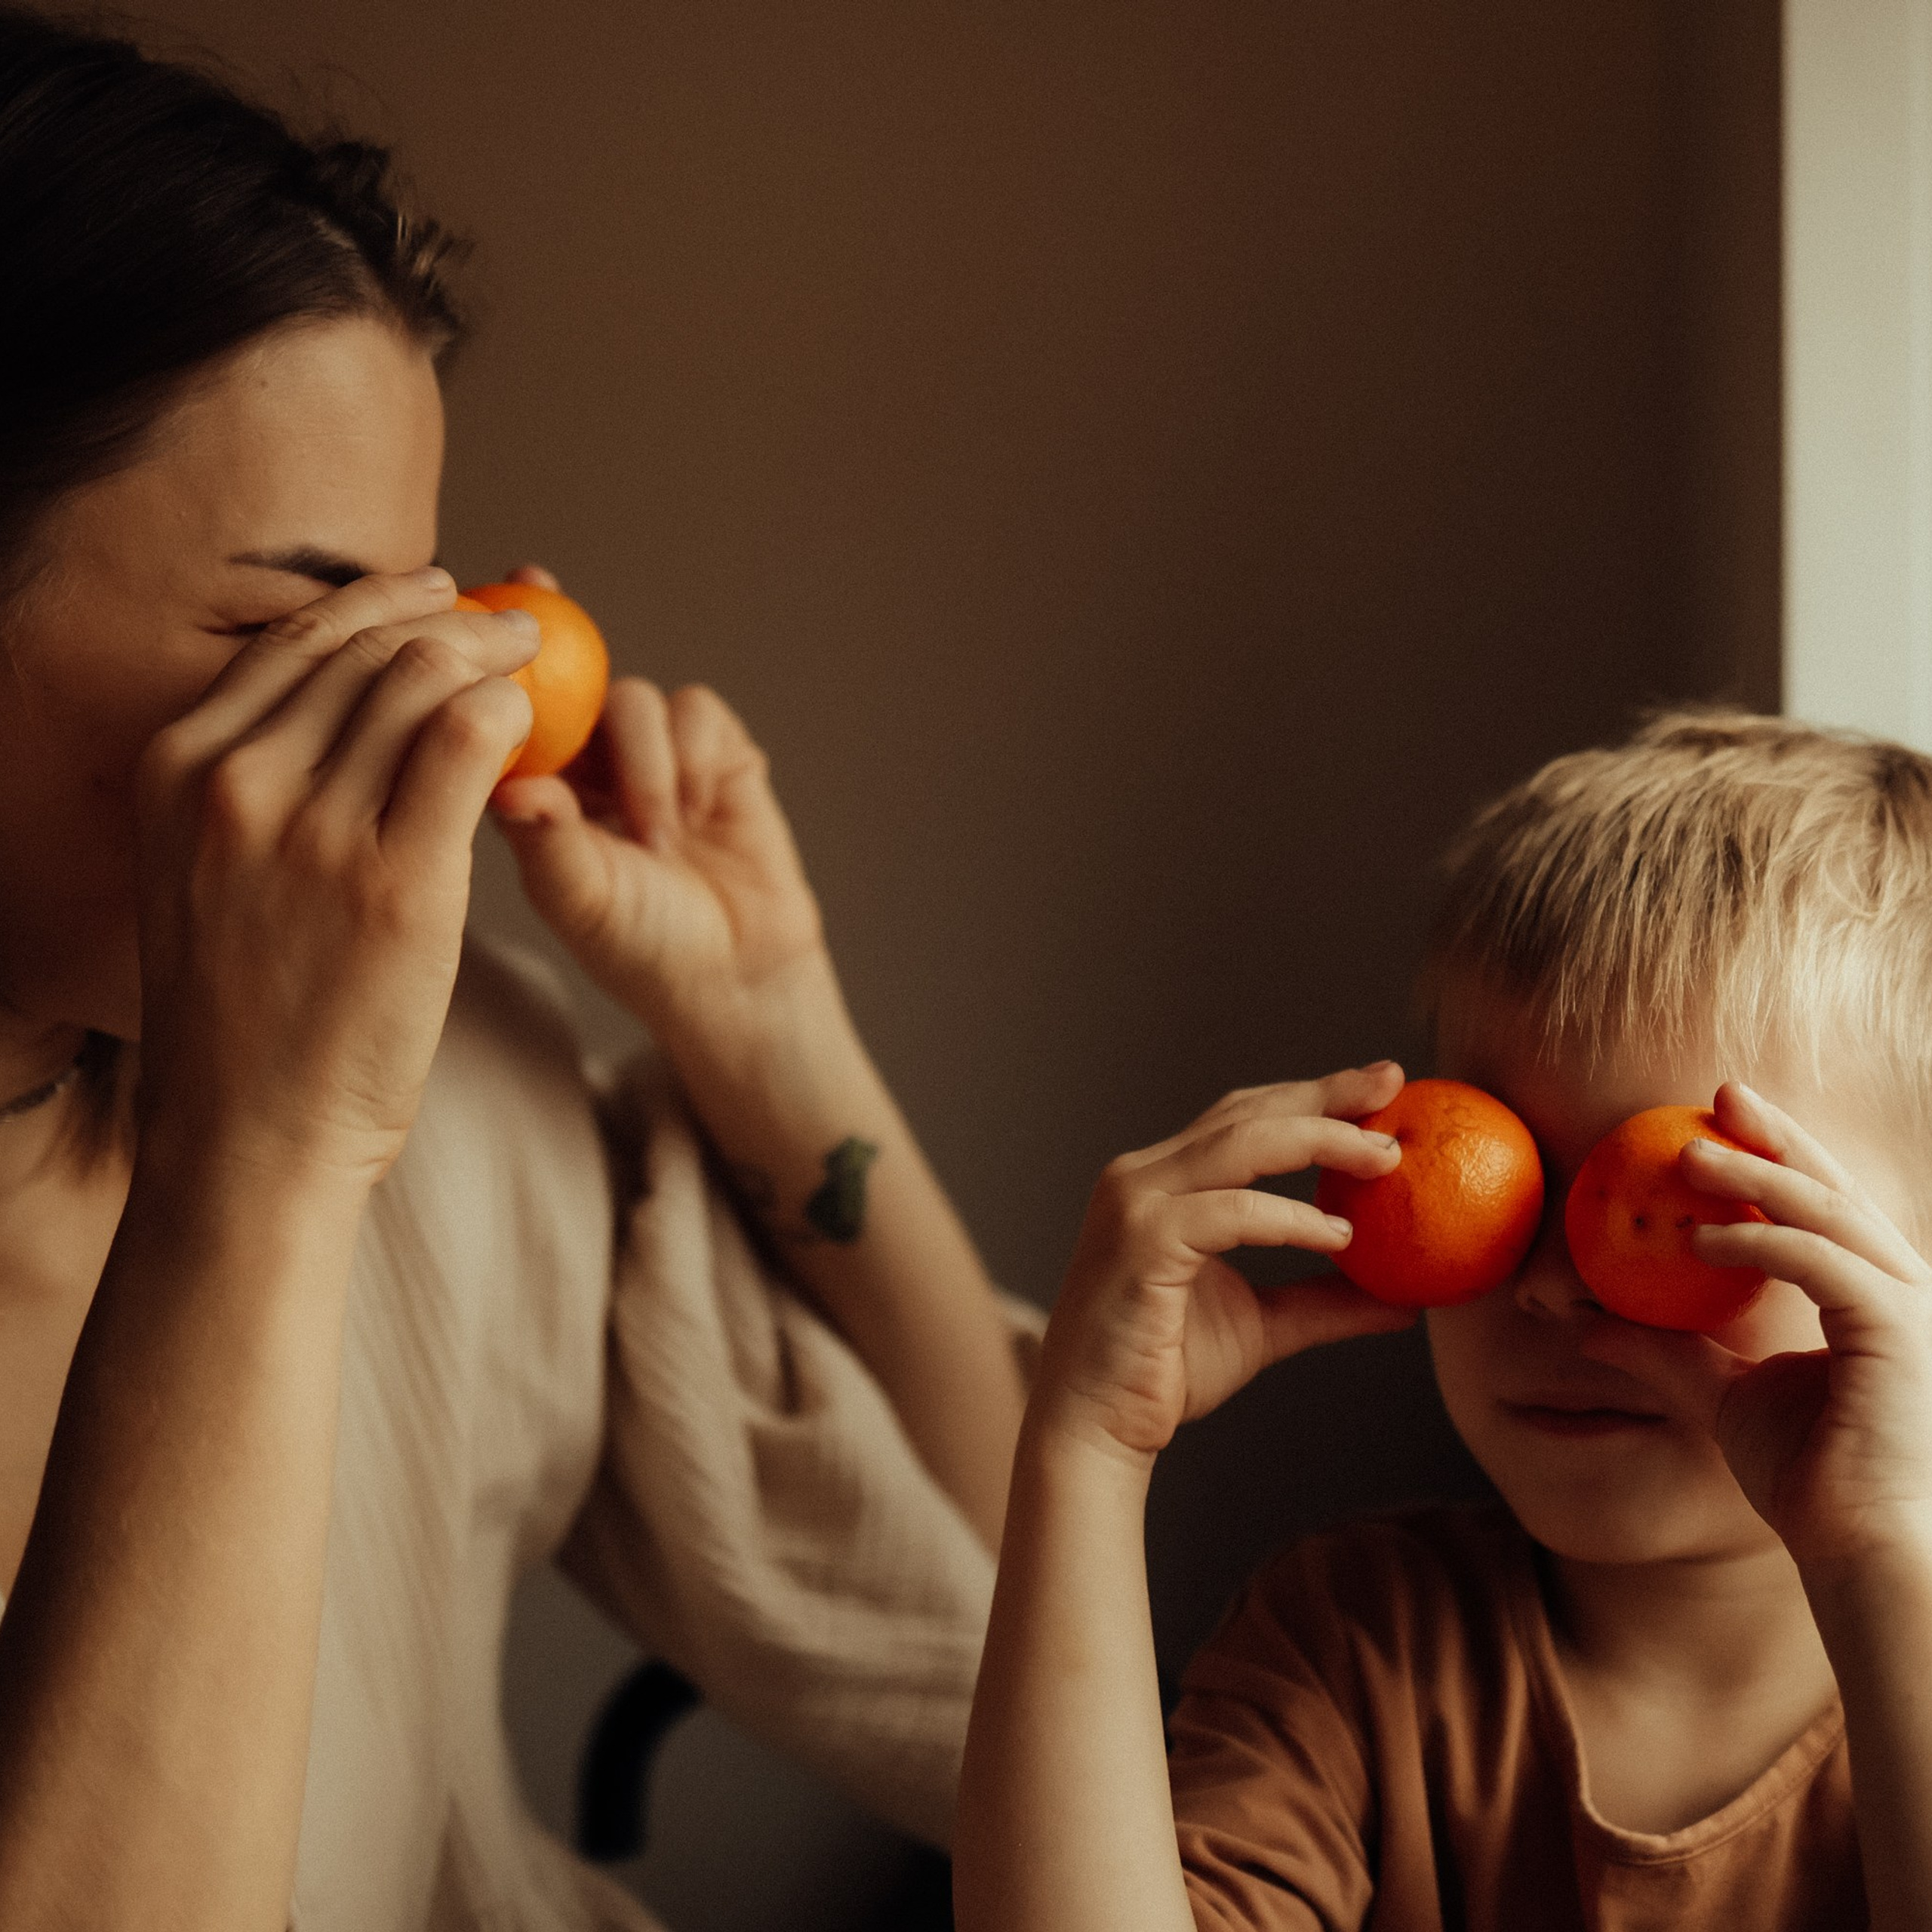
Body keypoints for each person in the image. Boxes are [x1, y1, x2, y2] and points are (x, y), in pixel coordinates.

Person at [0, 11, 1030, 1928]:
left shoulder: (453, 1078)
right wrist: (263, 1167)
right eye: (300, 628)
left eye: (428, 610)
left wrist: (771, 1033)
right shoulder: (329, 1092)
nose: (441, 719)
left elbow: (1028, 1679)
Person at [956, 711, 1932, 1932]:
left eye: (1688, 1197)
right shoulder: (1360, 1647)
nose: (1551, 1285)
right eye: (1509, 1181)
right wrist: (1085, 1452)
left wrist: (1887, 1555)